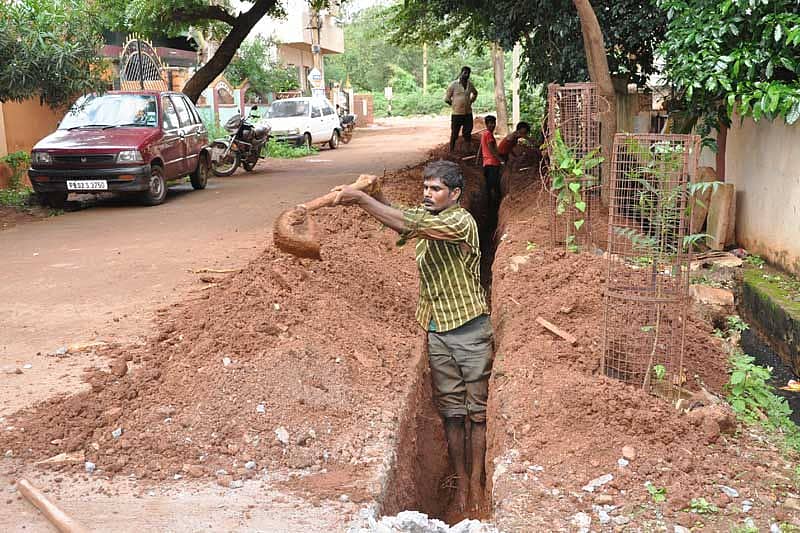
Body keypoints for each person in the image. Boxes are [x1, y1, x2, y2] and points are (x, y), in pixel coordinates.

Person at [333, 161, 493, 512]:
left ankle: (479, 484)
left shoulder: (459, 221)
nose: (427, 194)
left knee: (477, 413)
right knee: (452, 411)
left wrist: (361, 199)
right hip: (437, 329)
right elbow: (405, 220)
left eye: (435, 189)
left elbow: (410, 223)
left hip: (469, 328)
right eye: (425, 188)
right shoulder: (430, 219)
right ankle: (461, 483)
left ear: (455, 194)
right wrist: (377, 196)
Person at [445, 67, 478, 153]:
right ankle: (451, 150)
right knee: (455, 133)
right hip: (457, 114)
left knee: (467, 133)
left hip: (468, 113)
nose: (466, 75)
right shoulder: (453, 85)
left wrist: (471, 101)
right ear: (461, 73)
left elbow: (475, 93)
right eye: (465, 73)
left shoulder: (470, 85)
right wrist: (454, 105)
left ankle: (467, 150)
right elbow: (447, 98)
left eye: (468, 73)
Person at [476, 115, 503, 207]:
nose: (492, 125)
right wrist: (501, 160)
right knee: (494, 185)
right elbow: (491, 149)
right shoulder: (489, 135)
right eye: (490, 123)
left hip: (486, 164)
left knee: (489, 185)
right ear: (486, 124)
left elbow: (481, 148)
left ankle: (490, 205)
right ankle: (495, 205)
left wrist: (478, 159)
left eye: (493, 123)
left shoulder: (484, 134)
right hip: (493, 163)